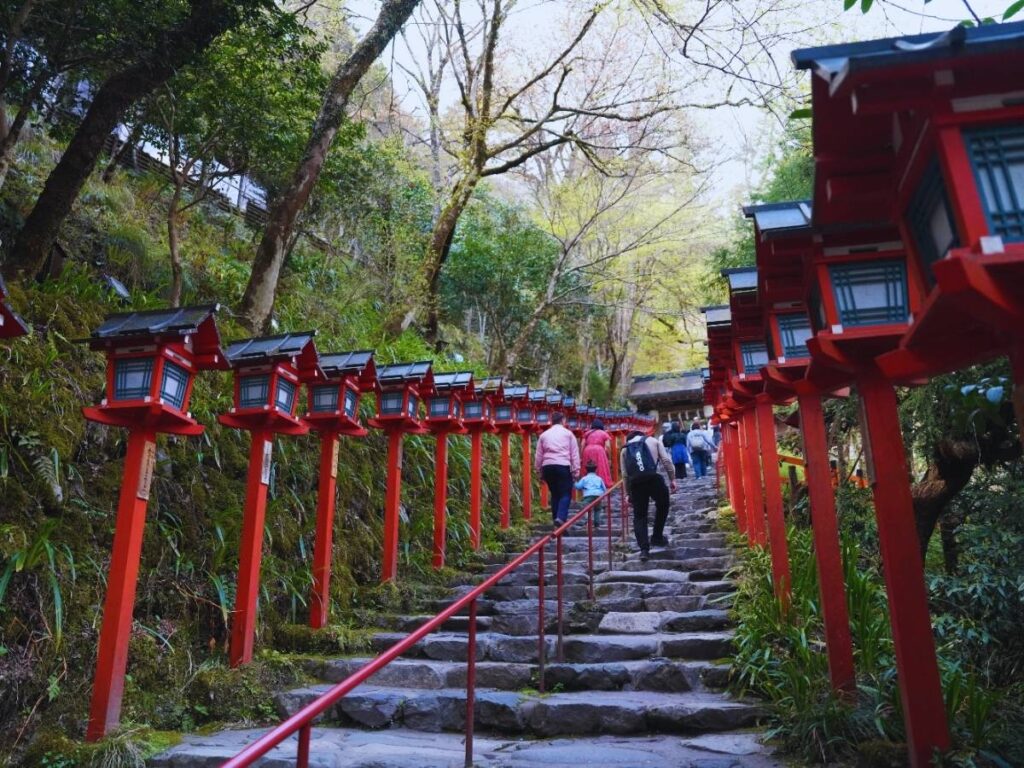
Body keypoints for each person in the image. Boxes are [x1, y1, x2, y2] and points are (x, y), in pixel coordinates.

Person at [620, 429, 676, 561]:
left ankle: (644, 550)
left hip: (636, 484)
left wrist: (627, 493)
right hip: (653, 479)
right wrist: (672, 479)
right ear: (642, 435)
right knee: (663, 504)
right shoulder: (653, 441)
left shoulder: (625, 449)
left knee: (640, 516)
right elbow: (666, 461)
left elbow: (625, 474)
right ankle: (657, 536)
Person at [534, 412, 580, 525]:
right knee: (565, 493)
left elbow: (538, 454)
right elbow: (574, 453)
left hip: (547, 466)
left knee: (555, 493)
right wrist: (576, 469)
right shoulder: (568, 434)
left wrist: (538, 470)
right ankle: (560, 518)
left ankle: (556, 519)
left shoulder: (544, 435)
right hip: (562, 464)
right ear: (563, 420)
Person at [581, 418, 612, 487]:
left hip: (587, 450)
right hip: (599, 451)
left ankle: (587, 484)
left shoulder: (587, 433)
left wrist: (581, 456)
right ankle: (601, 484)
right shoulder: (604, 433)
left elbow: (582, 445)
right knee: (600, 468)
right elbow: (608, 446)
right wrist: (609, 457)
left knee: (588, 467)